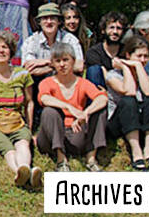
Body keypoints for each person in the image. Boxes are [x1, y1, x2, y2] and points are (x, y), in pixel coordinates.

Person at [0, 31, 42, 189]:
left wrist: (29, 128)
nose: (1, 51)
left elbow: (29, 103)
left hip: (16, 121)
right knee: (8, 149)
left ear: (10, 51)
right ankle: (21, 172)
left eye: (4, 47)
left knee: (23, 144)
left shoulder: (22, 74)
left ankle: (26, 169)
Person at [36, 43, 108, 172]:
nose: (62, 65)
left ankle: (91, 159)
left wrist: (86, 112)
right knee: (49, 111)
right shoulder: (47, 83)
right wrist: (69, 107)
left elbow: (102, 98)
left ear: (73, 61)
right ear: (52, 64)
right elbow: (44, 98)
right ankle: (61, 160)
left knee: (100, 111)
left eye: (65, 60)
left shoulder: (82, 83)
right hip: (51, 136)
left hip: (75, 131)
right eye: (58, 61)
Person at [104, 36, 149, 170]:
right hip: (120, 123)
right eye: (139, 56)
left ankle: (148, 151)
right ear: (128, 55)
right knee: (128, 101)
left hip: (142, 122)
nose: (143, 60)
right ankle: (136, 152)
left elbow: (148, 92)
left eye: (146, 56)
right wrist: (125, 68)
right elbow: (129, 91)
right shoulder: (113, 75)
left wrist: (138, 67)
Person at [20, 3, 84, 79]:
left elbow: (79, 66)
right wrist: (63, 65)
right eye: (45, 18)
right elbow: (28, 69)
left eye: (52, 18)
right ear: (39, 22)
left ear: (59, 21)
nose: (49, 22)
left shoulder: (69, 39)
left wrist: (48, 63)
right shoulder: (31, 41)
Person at [84, 11, 127, 88]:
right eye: (111, 27)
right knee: (94, 70)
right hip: (102, 88)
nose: (115, 32)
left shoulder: (127, 51)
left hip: (125, 88)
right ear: (103, 30)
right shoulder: (94, 52)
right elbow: (106, 77)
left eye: (119, 28)